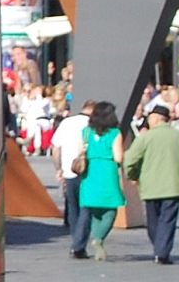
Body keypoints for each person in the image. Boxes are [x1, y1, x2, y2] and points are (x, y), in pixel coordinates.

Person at [125, 106, 179, 265]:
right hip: (173, 185)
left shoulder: (145, 138)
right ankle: (162, 251)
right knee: (168, 220)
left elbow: (130, 160)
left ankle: (159, 247)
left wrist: (133, 176)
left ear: (154, 119)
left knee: (153, 220)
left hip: (150, 186)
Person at [71, 101, 126, 261]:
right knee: (110, 210)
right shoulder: (115, 133)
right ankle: (99, 238)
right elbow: (118, 157)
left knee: (93, 210)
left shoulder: (86, 132)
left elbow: (80, 152)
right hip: (107, 172)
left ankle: (95, 237)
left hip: (90, 173)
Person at [49, 98, 92, 244]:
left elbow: (55, 148)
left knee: (73, 208)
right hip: (88, 172)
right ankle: (81, 240)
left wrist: (58, 168)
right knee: (86, 208)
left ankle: (76, 239)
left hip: (69, 170)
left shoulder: (66, 122)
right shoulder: (93, 125)